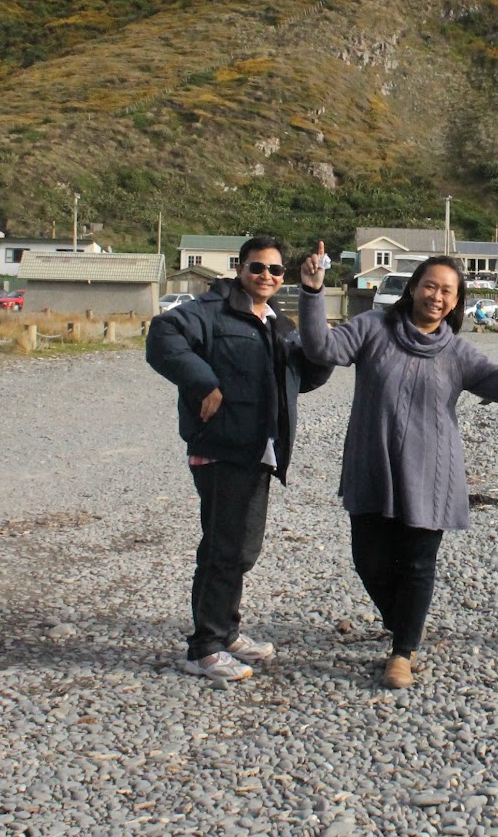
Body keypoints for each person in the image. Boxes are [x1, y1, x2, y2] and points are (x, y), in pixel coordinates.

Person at [296, 244, 498, 689]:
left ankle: (402, 651)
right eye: (430, 286)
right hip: (372, 464)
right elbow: (321, 348)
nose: (437, 296)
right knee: (369, 562)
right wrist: (312, 292)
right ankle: (405, 622)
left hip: (432, 473)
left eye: (448, 291)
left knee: (418, 565)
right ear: (413, 288)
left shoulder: (458, 353)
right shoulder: (372, 328)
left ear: (457, 301)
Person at [145, 235, 333, 682]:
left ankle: (226, 633)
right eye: (257, 267)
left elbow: (310, 372)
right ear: (239, 269)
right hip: (221, 448)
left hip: (260, 449)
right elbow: (162, 336)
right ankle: (204, 648)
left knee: (242, 548)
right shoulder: (210, 311)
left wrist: (315, 316)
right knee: (223, 548)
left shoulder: (279, 323)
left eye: (275, 269)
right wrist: (204, 382)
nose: (266, 276)